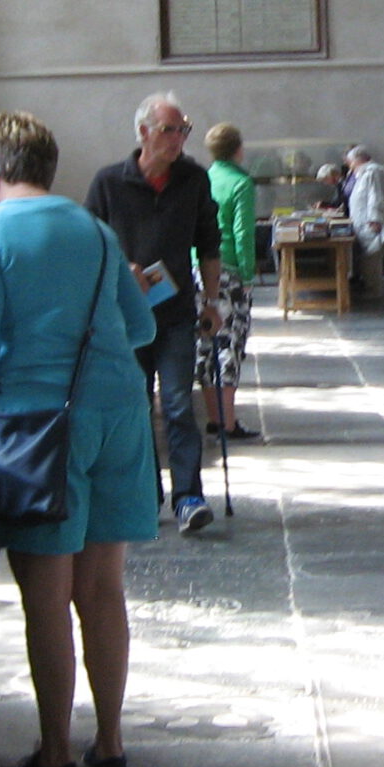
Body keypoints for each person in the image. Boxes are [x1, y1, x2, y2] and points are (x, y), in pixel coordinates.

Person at [0, 111, 157, 767]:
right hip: (122, 412)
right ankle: (110, 745)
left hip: (40, 424)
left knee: (47, 597)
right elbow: (141, 323)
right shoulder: (95, 231)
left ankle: (53, 757)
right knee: (103, 591)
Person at [85, 92, 224, 535]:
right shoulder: (108, 183)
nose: (179, 138)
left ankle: (189, 497)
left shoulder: (194, 180)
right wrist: (121, 268)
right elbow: (89, 246)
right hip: (124, 318)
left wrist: (212, 302)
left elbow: (209, 244)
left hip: (178, 313)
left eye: (183, 130)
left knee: (180, 404)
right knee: (135, 407)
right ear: (143, 132)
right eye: (169, 130)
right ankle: (144, 496)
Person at [200, 122, 259, 442]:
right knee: (231, 343)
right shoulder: (240, 182)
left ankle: (212, 417)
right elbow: (243, 233)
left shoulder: (203, 179)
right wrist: (247, 275)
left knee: (206, 342)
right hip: (229, 270)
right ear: (238, 149)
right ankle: (229, 422)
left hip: (198, 268)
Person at [343, 144, 384, 295]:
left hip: (371, 223)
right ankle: (369, 286)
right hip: (361, 222)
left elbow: (376, 197)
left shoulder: (372, 173)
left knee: (373, 258)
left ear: (358, 160)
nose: (350, 166)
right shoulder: (362, 174)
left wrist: (375, 219)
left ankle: (374, 289)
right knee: (367, 259)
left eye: (351, 162)